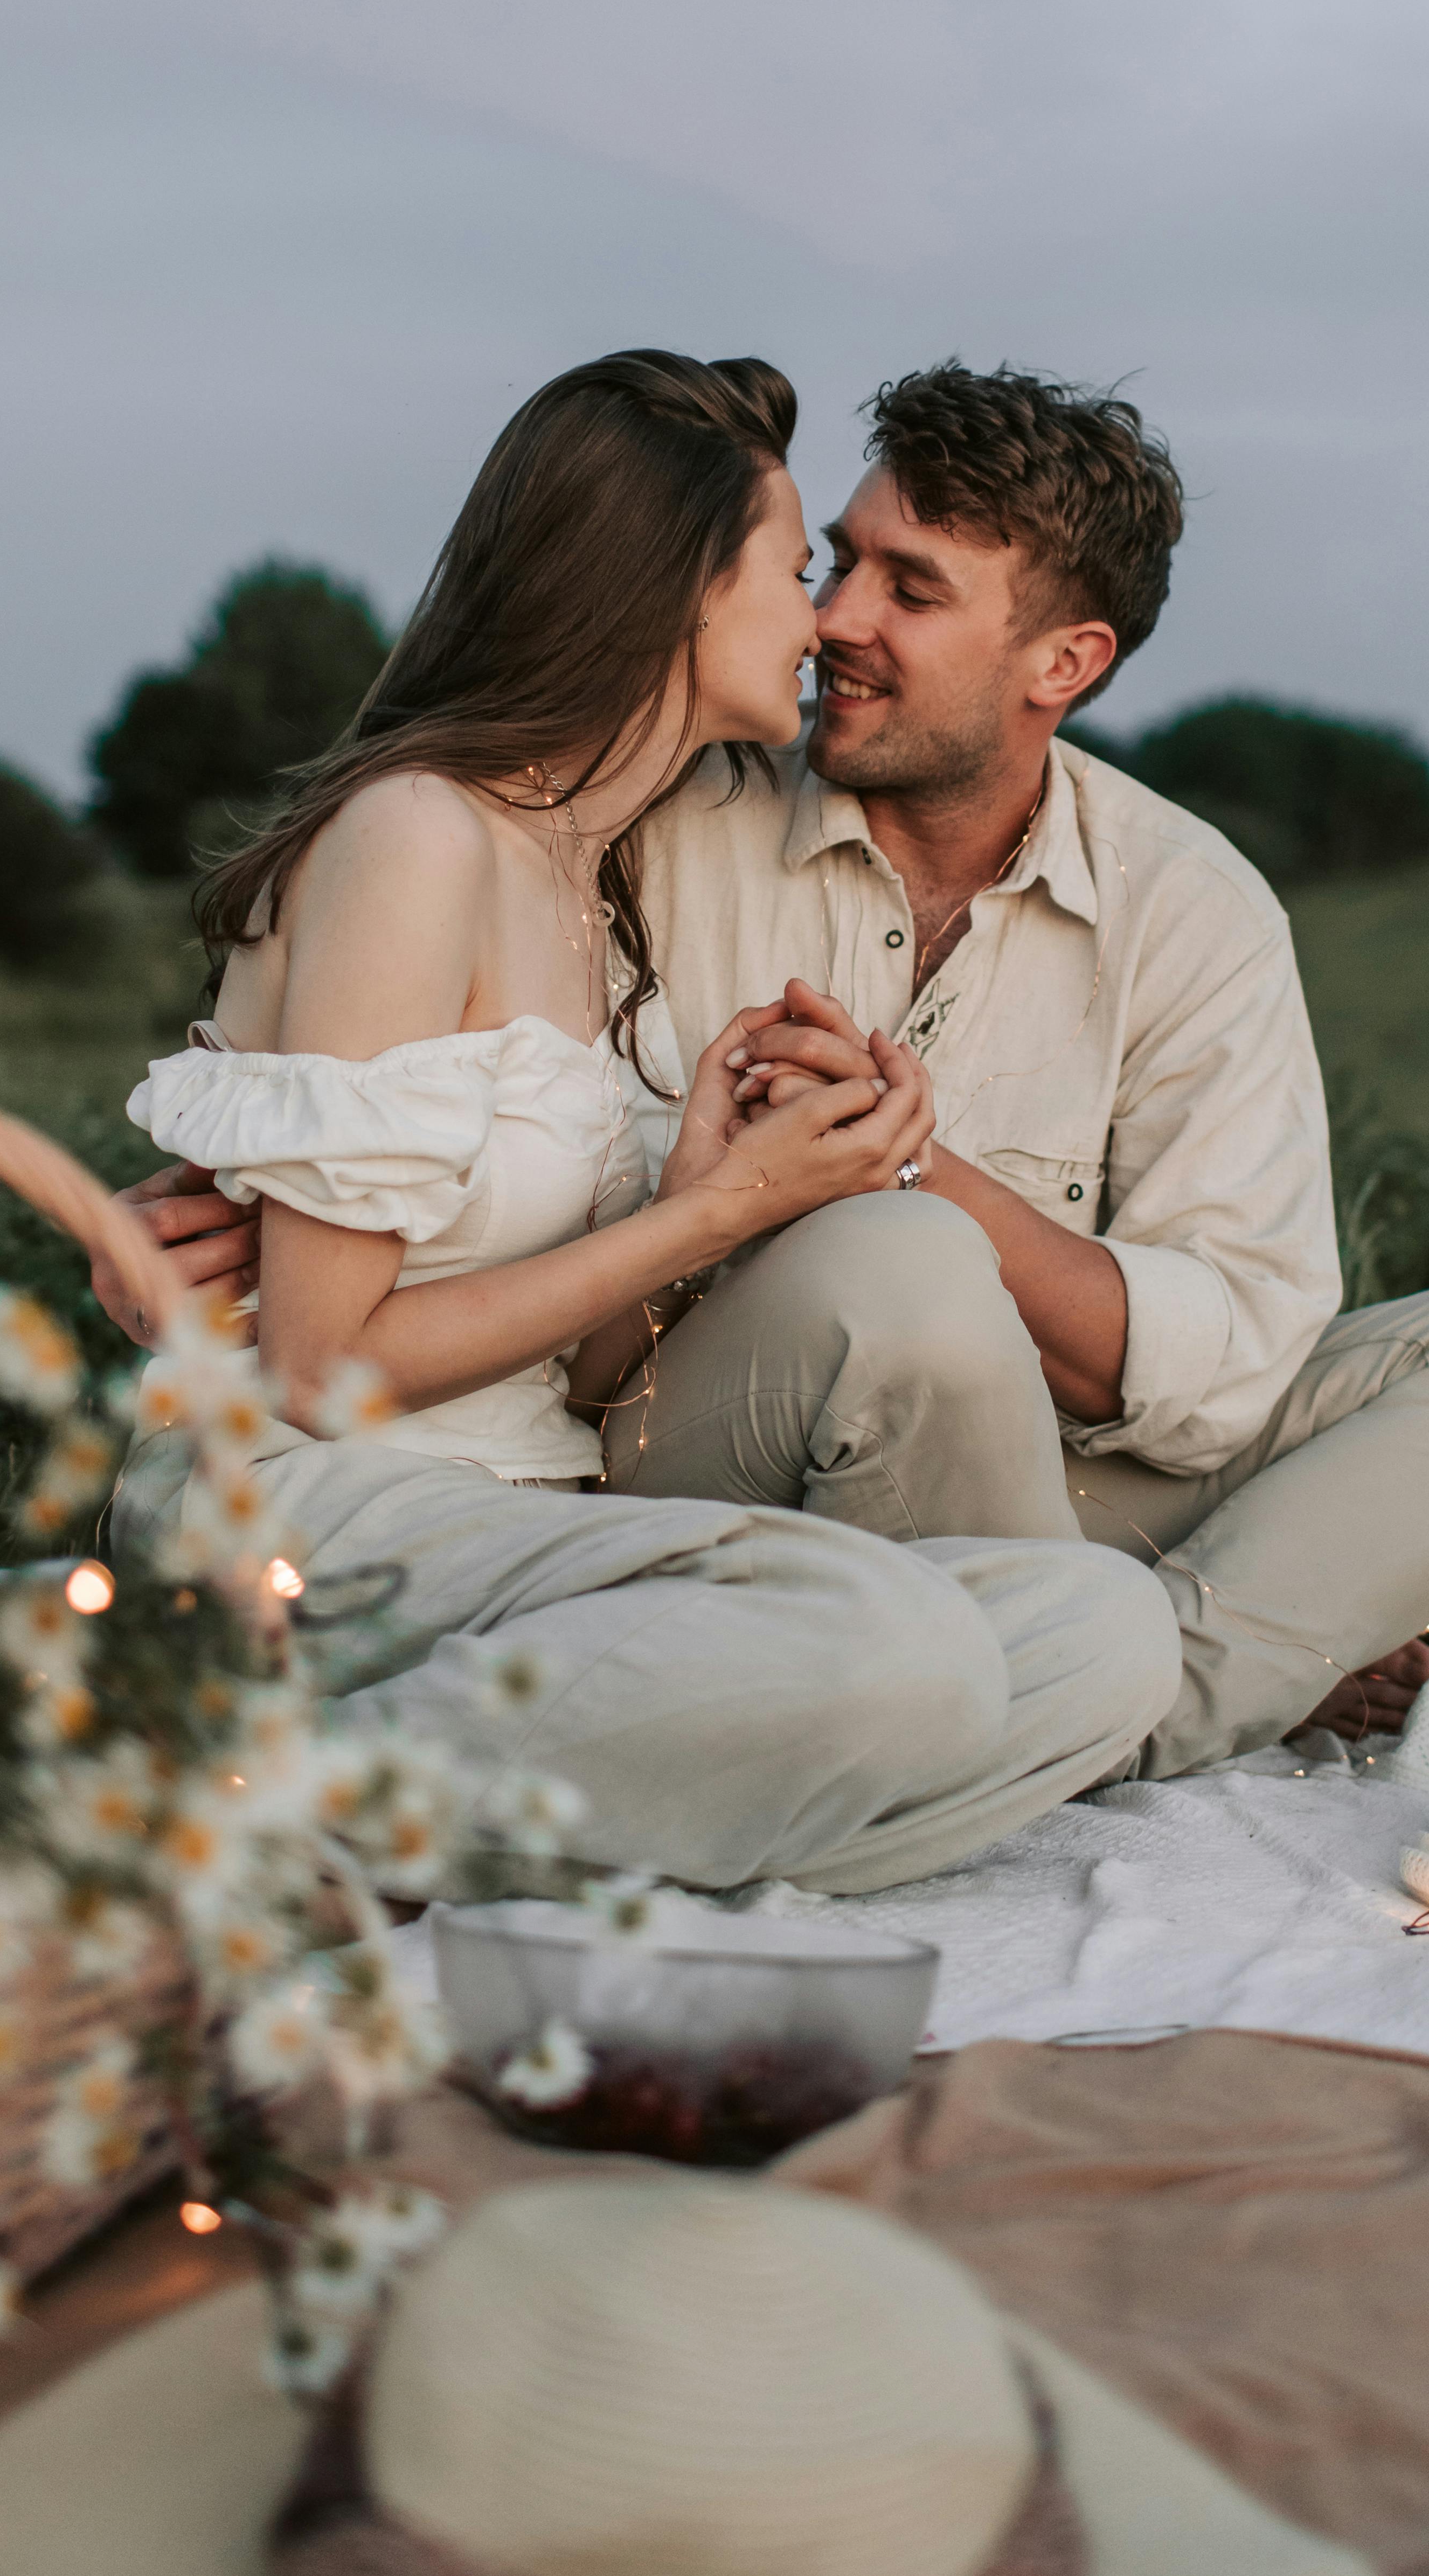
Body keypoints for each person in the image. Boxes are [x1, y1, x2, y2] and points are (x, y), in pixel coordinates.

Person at [108, 356, 1429, 1780]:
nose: (832, 618)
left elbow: (1226, 1370)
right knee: (899, 1271)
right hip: (728, 1431)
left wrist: (908, 1163)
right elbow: (366, 1117)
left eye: (910, 588)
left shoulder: (1188, 908)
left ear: (1061, 663)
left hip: (1064, 1470)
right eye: (827, 563)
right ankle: (1104, 1710)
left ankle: (1137, 1689)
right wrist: (181, 1234)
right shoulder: (647, 819)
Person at [110, 349, 1180, 1896]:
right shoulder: (416, 838)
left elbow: (581, 1367)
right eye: (793, 566)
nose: (820, 617)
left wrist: (687, 1189)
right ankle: (227, 1831)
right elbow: (317, 1365)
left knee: (1099, 1634)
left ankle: (542, 1834)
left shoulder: (589, 881)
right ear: (673, 591)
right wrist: (716, 1215)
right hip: (310, 1505)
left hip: (519, 1521)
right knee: (890, 1642)